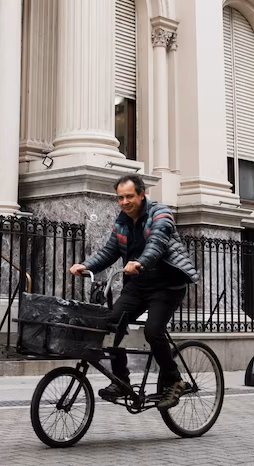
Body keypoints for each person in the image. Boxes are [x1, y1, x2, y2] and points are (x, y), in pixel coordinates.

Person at [69, 175, 199, 410]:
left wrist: (140, 262)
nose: (125, 202)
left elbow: (157, 244)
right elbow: (109, 251)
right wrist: (87, 266)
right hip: (139, 286)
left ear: (141, 194)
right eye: (120, 198)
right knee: (110, 324)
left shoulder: (161, 214)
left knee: (153, 330)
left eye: (129, 196)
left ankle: (175, 381)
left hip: (167, 285)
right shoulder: (121, 222)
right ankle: (121, 381)